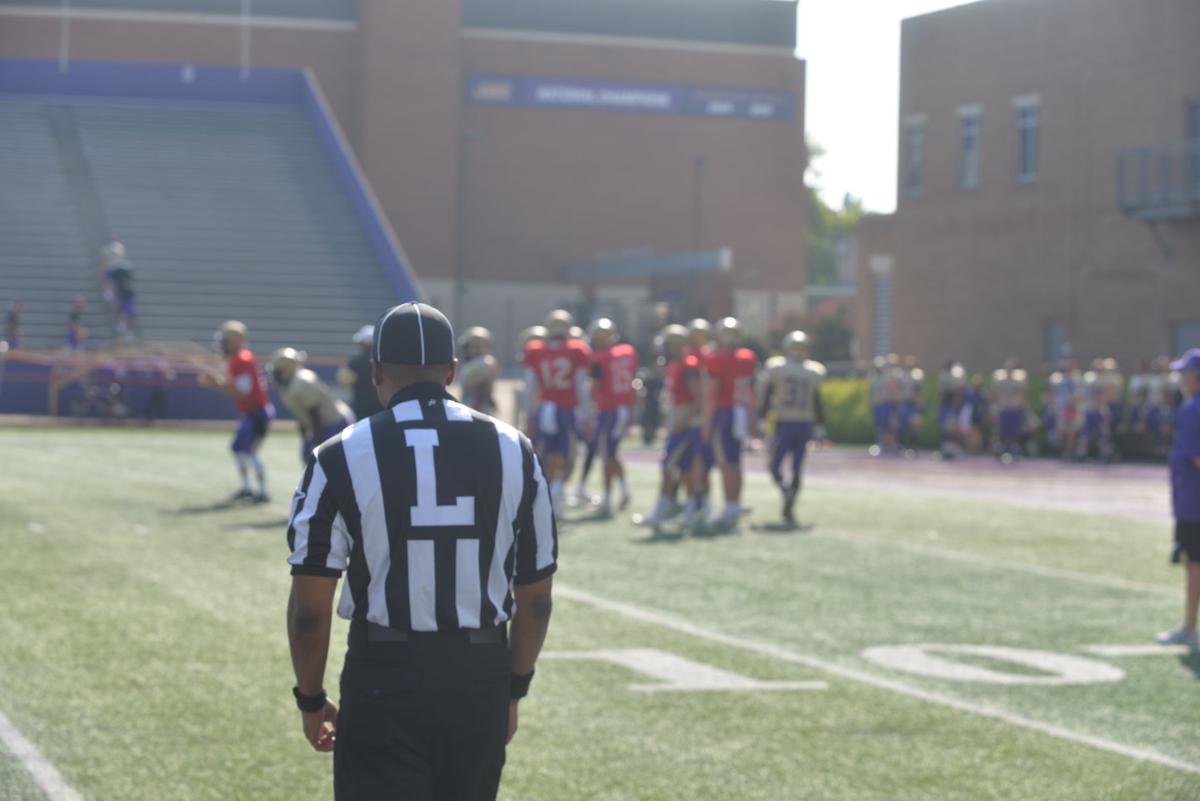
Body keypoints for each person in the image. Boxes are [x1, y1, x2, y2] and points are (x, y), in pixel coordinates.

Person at [284, 301, 557, 800]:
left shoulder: (338, 454)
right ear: (452, 371)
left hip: (383, 674)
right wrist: (512, 691)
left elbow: (309, 608)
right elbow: (536, 599)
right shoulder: (514, 448)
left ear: (376, 372)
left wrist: (310, 698)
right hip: (479, 676)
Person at [522, 310, 592, 511]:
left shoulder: (535, 349)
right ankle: (557, 491)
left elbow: (529, 387)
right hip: (566, 409)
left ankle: (546, 491)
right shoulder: (577, 349)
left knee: (543, 453)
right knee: (568, 454)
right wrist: (587, 414)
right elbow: (581, 385)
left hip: (544, 408)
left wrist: (528, 414)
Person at [758, 331, 826, 526]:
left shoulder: (777, 367)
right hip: (800, 423)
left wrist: (762, 418)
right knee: (794, 467)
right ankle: (788, 497)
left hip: (787, 422)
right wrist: (821, 425)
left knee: (778, 465)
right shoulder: (813, 371)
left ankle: (788, 500)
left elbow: (768, 394)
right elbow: (817, 400)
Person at [200, 320, 273, 502]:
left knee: (250, 451)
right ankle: (247, 488)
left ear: (235, 340)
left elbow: (242, 392)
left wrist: (217, 383)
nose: (223, 343)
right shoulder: (237, 360)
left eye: (226, 339)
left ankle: (263, 492)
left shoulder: (242, 360)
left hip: (257, 412)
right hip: (250, 412)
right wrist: (218, 383)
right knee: (238, 448)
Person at [1157, 349, 1200, 649]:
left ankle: (1188, 627)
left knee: (1194, 563)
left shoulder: (1191, 410)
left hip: (1194, 502)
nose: (1181, 378)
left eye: (1185, 373)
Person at [642, 324, 702, 528]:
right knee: (683, 470)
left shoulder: (688, 365)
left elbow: (698, 399)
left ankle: (662, 511)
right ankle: (691, 512)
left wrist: (682, 422)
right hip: (679, 421)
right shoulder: (675, 364)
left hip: (686, 424)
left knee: (668, 467)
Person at [702, 317, 757, 531]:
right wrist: (753, 417)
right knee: (736, 462)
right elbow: (752, 391)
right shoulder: (748, 357)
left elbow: (712, 393)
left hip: (724, 413)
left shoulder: (716, 358)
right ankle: (735, 504)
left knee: (726, 464)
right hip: (741, 412)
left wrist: (707, 422)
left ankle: (730, 508)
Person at [579, 318, 638, 516]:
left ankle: (607, 498)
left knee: (606, 454)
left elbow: (594, 387)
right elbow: (633, 381)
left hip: (609, 409)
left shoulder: (599, 358)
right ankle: (624, 489)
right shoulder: (628, 352)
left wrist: (588, 409)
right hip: (623, 408)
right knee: (612, 452)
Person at [269, 347, 355, 464]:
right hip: (324, 425)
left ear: (285, 370)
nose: (274, 374)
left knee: (328, 462)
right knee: (310, 459)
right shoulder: (288, 385)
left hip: (335, 422)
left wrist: (317, 441)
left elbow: (314, 412)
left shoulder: (301, 382)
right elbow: (302, 415)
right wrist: (306, 439)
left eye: (276, 371)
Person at [340, 325, 384, 421]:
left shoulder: (355, 360)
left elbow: (343, 380)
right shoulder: (383, 359)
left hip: (361, 407)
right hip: (381, 406)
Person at [991, 359, 1029, 462]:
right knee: (1002, 431)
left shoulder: (1018, 381)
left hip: (1014, 409)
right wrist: (995, 407)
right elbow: (995, 394)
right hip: (1003, 409)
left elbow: (1022, 394)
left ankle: (1014, 450)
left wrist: (1019, 404)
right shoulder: (1000, 380)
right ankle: (1001, 450)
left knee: (1015, 431)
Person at [100, 238, 138, 341]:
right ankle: (123, 328)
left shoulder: (122, 266)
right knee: (122, 311)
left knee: (129, 312)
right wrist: (108, 291)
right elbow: (107, 277)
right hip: (122, 291)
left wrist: (108, 291)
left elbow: (107, 277)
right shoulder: (121, 266)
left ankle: (127, 331)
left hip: (126, 291)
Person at [457, 326, 500, 415]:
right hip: (473, 408)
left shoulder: (484, 364)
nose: (466, 349)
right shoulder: (476, 362)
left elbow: (481, 390)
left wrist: (475, 414)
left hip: (476, 410)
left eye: (468, 346)